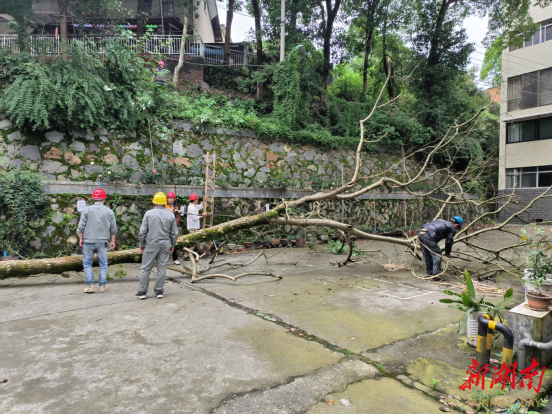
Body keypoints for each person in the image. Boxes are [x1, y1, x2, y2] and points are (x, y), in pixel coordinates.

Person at [135, 192, 178, 300]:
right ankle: (159, 291)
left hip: (151, 244)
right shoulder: (170, 215)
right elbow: (174, 233)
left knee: (145, 268)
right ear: (165, 202)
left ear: (154, 202)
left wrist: (142, 243)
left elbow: (142, 231)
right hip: (165, 244)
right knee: (162, 268)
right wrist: (172, 244)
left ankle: (142, 292)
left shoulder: (148, 214)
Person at [77, 188, 117, 294]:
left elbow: (81, 227)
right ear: (104, 199)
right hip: (102, 242)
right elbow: (113, 229)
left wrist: (81, 239)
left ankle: (90, 286)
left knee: (87, 264)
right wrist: (112, 241)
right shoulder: (109, 211)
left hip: (88, 241)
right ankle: (102, 286)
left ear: (93, 198)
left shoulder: (86, 210)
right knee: (103, 264)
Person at [184, 193, 206, 261]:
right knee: (192, 242)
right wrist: (202, 215)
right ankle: (186, 255)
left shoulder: (194, 206)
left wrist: (204, 200)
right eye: (197, 200)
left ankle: (199, 252)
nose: (197, 201)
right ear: (195, 200)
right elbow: (194, 218)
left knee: (196, 241)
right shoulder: (191, 207)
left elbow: (200, 206)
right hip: (192, 227)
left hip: (195, 226)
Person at [165, 191, 183, 265]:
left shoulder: (176, 207)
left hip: (173, 226)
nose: (170, 199)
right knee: (165, 242)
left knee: (173, 242)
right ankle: (164, 259)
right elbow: (166, 212)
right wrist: (172, 211)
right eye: (169, 198)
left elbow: (178, 216)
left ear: (174, 199)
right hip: (166, 226)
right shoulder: (164, 206)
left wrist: (178, 212)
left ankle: (175, 259)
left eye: (172, 198)